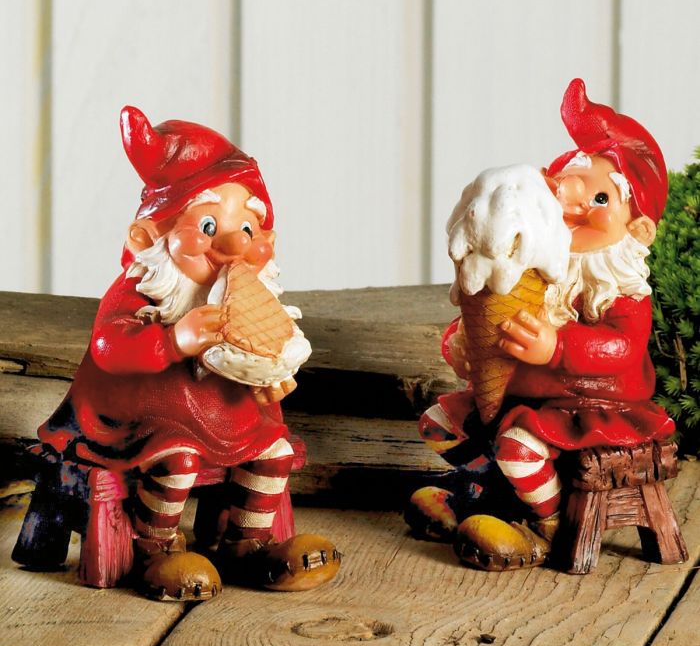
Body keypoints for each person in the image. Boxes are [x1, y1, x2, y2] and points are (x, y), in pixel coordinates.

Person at [36, 107, 339, 598]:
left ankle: (247, 544)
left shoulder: (245, 300)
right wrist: (173, 340)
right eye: (208, 226)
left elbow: (254, 363)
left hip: (228, 418)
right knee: (178, 462)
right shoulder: (143, 293)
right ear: (149, 237)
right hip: (141, 417)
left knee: (275, 452)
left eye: (247, 230)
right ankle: (155, 548)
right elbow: (109, 347)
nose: (233, 245)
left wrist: (266, 377)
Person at [408, 79, 674, 570]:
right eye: (567, 187)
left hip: (585, 405)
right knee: (438, 425)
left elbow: (623, 347)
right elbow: (490, 329)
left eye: (600, 200)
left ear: (636, 230)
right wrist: (459, 346)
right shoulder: (532, 270)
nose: (575, 206)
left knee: (517, 449)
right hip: (519, 395)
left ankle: (546, 523)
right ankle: (485, 493)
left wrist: (557, 346)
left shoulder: (620, 291)